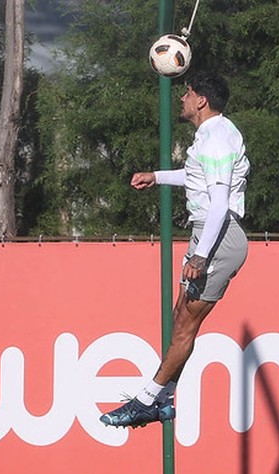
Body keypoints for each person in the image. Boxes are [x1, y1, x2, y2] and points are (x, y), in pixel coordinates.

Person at [100, 69, 250, 428]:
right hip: (209, 232)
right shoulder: (213, 135)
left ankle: (147, 400)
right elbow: (198, 177)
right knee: (180, 313)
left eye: (187, 93)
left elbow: (218, 202)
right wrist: (157, 176)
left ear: (201, 100)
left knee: (185, 324)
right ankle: (164, 399)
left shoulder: (215, 138)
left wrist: (201, 255)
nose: (182, 99)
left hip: (218, 236)